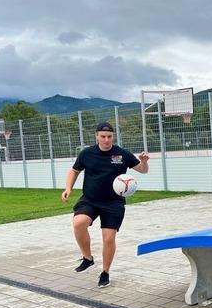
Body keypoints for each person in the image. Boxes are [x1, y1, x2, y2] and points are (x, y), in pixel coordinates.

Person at [61, 122, 149, 288]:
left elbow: (143, 170)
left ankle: (105, 272)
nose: (106, 140)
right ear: (96, 136)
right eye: (103, 136)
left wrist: (143, 162)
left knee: (108, 239)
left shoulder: (122, 154)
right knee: (79, 223)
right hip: (90, 199)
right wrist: (68, 188)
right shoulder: (87, 153)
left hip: (113, 203)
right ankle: (87, 259)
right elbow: (74, 170)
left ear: (113, 137)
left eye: (109, 137)